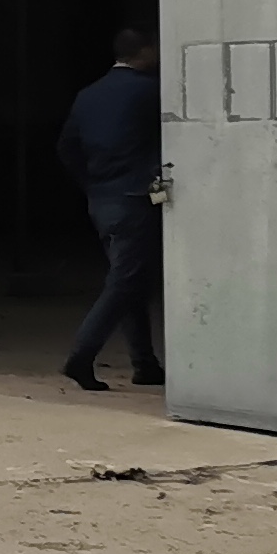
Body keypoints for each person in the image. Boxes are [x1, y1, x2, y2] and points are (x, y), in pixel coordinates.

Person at [56, 26, 166, 393]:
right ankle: (82, 355)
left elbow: (67, 148)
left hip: (102, 200)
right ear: (145, 51)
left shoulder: (88, 95)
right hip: (137, 200)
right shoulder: (151, 91)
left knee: (132, 278)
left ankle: (144, 363)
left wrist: (94, 185)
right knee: (126, 281)